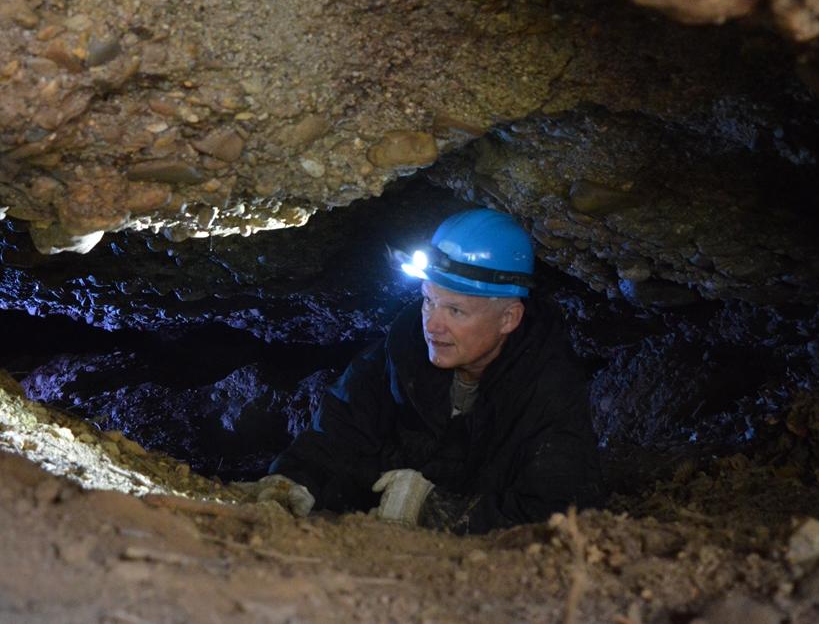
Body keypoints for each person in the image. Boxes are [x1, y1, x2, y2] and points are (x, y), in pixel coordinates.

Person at [245, 208, 604, 534]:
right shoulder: (400, 353)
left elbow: (562, 510)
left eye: (455, 311)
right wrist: (292, 481)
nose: (432, 325)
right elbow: (336, 436)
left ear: (508, 318)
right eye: (428, 300)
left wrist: (435, 509)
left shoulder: (548, 388)